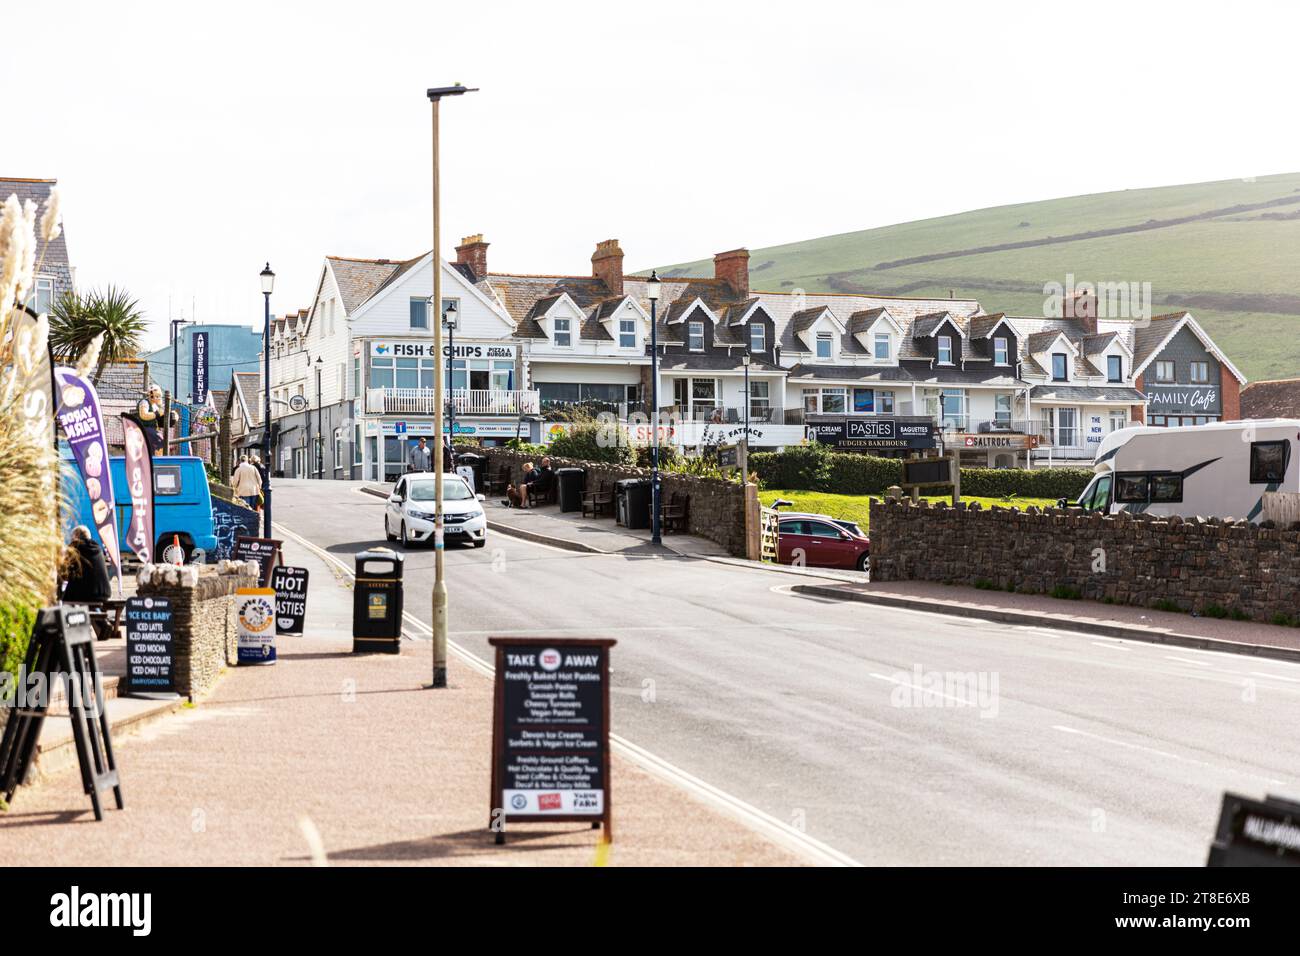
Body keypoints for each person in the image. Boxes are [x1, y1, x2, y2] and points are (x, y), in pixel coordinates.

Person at [62, 526, 112, 604]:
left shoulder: (74, 548)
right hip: (104, 594)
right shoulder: (98, 549)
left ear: (76, 537)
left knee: (61, 598)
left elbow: (64, 575)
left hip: (81, 595)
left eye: (72, 538)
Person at [136, 384, 180, 455]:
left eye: (159, 396)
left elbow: (162, 414)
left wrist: (173, 415)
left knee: (159, 445)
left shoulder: (155, 406)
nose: (158, 398)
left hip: (153, 429)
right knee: (160, 442)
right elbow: (143, 415)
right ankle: (160, 460)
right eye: (156, 396)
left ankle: (158, 460)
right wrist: (157, 413)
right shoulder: (144, 402)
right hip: (145, 428)